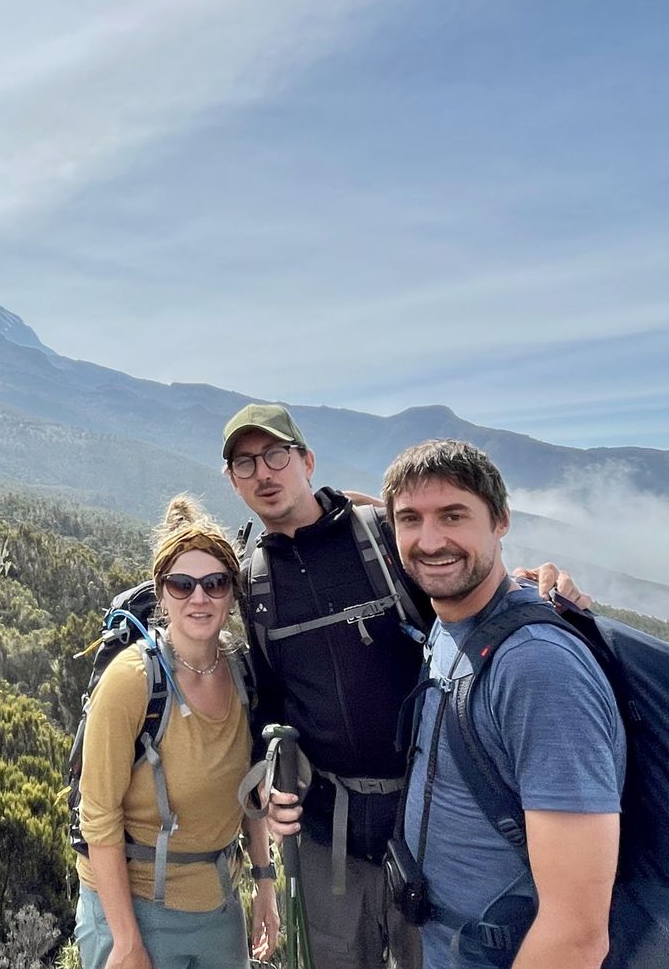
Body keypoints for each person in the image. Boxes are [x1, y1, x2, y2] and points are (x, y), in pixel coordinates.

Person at [222, 404, 586, 969]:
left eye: (276, 455)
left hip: (429, 822)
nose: (264, 473)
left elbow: (465, 602)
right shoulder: (255, 582)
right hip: (328, 832)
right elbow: (270, 701)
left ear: (306, 460)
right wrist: (269, 784)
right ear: (233, 481)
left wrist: (537, 595)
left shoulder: (381, 538)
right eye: (245, 464)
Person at [385, 439, 625, 968]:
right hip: (439, 939)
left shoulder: (537, 667)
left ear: (500, 522)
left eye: (453, 515)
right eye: (410, 519)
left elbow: (578, 933)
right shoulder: (452, 628)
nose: (429, 540)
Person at [74, 495, 280, 969]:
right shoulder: (133, 681)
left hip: (219, 902)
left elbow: (251, 791)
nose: (200, 597)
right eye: (182, 585)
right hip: (134, 908)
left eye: (215, 583)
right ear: (162, 594)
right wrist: (126, 942)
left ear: (233, 592)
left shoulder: (243, 674)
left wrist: (264, 883)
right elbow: (98, 815)